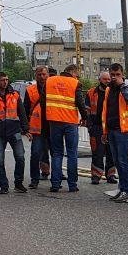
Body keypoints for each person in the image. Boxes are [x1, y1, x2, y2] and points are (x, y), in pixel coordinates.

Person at [95, 62, 128, 202]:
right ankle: (122, 188)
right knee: (117, 161)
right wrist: (105, 131)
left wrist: (122, 85)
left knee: (122, 160)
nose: (114, 78)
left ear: (123, 74)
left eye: (117, 75)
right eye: (112, 75)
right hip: (111, 129)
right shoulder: (109, 89)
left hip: (122, 129)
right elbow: (106, 111)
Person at [0, 71, 29, 194]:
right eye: (3, 80)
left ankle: (18, 183)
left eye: (7, 80)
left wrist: (26, 130)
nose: (5, 82)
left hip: (14, 130)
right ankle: (4, 185)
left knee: (20, 157)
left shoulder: (15, 94)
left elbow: (22, 113)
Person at [44, 63, 88, 193]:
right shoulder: (75, 83)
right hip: (70, 122)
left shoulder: (50, 80)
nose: (77, 77)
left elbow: (43, 99)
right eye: (77, 75)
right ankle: (72, 185)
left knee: (56, 153)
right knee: (72, 153)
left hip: (54, 121)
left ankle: (55, 184)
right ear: (73, 72)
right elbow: (80, 102)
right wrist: (85, 117)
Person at [85, 70, 118, 186]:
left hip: (111, 127)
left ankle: (111, 174)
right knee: (97, 152)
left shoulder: (115, 92)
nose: (108, 81)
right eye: (105, 79)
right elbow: (87, 110)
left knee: (111, 152)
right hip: (97, 127)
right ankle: (96, 175)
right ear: (99, 80)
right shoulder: (91, 92)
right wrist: (90, 126)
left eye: (109, 79)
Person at [24, 65, 49, 189]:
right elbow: (25, 110)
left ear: (48, 75)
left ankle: (56, 179)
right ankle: (35, 179)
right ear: (36, 76)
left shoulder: (53, 88)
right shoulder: (30, 90)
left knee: (56, 153)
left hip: (52, 126)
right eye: (39, 74)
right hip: (37, 128)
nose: (42, 77)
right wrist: (26, 128)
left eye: (44, 74)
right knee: (35, 154)